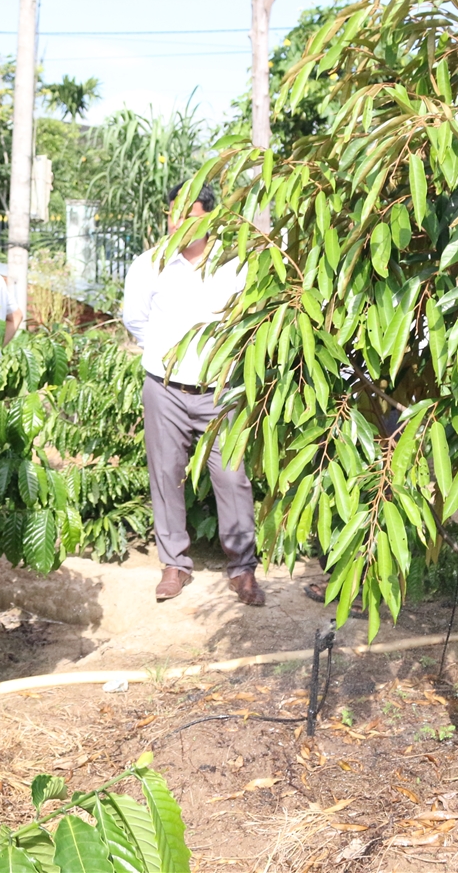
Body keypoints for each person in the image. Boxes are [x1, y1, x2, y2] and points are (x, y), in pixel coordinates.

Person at [121, 182, 263, 606]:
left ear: (211, 217)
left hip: (222, 391)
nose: (180, 222)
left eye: (190, 213)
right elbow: (136, 320)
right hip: (165, 390)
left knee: (233, 477)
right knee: (166, 474)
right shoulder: (149, 265)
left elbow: (251, 320)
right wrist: (169, 360)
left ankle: (242, 570)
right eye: (174, 214)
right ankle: (175, 565)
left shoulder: (235, 265)